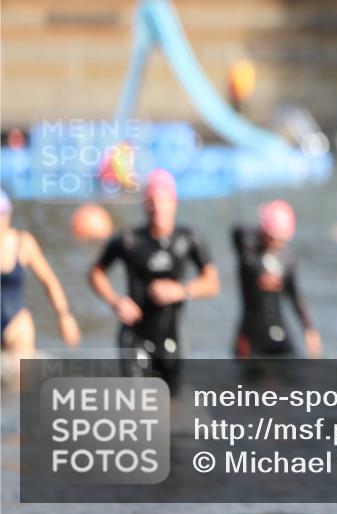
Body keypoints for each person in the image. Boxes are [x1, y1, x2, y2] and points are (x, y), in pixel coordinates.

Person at [88, 169, 220, 396]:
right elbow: (96, 273)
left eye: (163, 201)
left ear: (174, 202)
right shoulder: (129, 239)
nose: (158, 208)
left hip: (171, 337)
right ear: (144, 204)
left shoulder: (189, 238)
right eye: (151, 201)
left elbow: (212, 283)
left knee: (170, 406)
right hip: (135, 335)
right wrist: (115, 301)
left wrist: (181, 290)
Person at [231, 199, 322, 358]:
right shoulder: (249, 251)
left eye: (282, 239)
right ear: (264, 232)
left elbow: (294, 296)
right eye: (274, 237)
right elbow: (236, 231)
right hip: (250, 336)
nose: (278, 243)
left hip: (279, 332)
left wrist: (309, 329)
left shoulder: (287, 259)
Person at [1, 189, 81, 367]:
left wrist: (65, 316)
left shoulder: (23, 242)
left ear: (8, 215)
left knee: (18, 388)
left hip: (16, 325)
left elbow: (49, 281)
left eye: (1, 214)